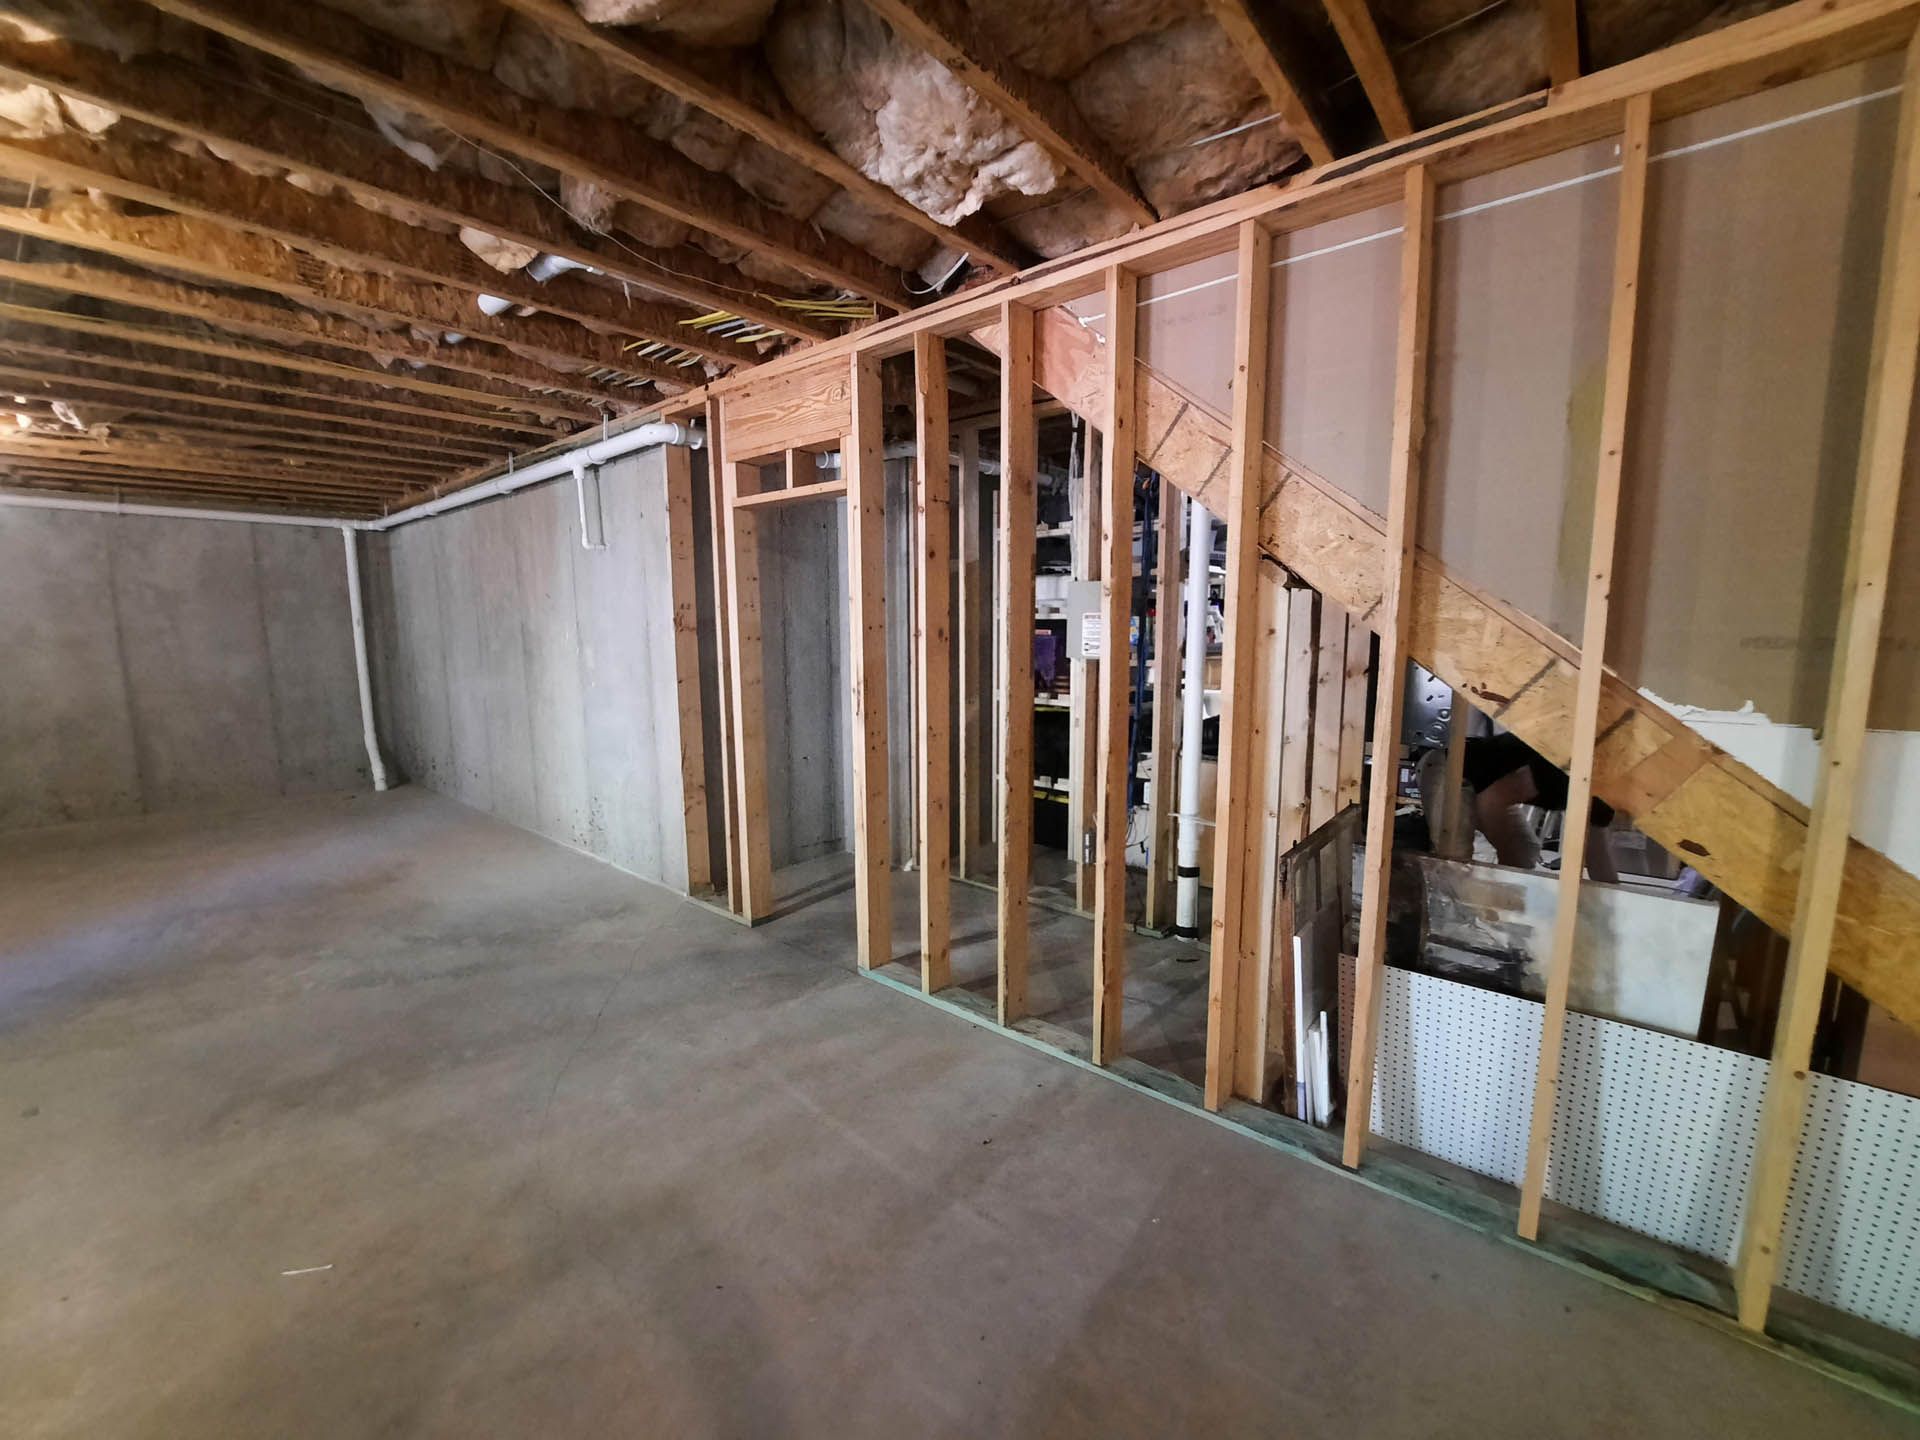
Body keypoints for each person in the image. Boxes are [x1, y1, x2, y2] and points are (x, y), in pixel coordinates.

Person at [1424, 732, 1620, 882]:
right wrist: (1507, 863)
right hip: (1451, 768)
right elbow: (1490, 800)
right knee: (1455, 865)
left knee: (1524, 853)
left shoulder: (1606, 798)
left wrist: (1614, 910)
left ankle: (1499, 915)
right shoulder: (1563, 768)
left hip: (1486, 786)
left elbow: (1599, 860)